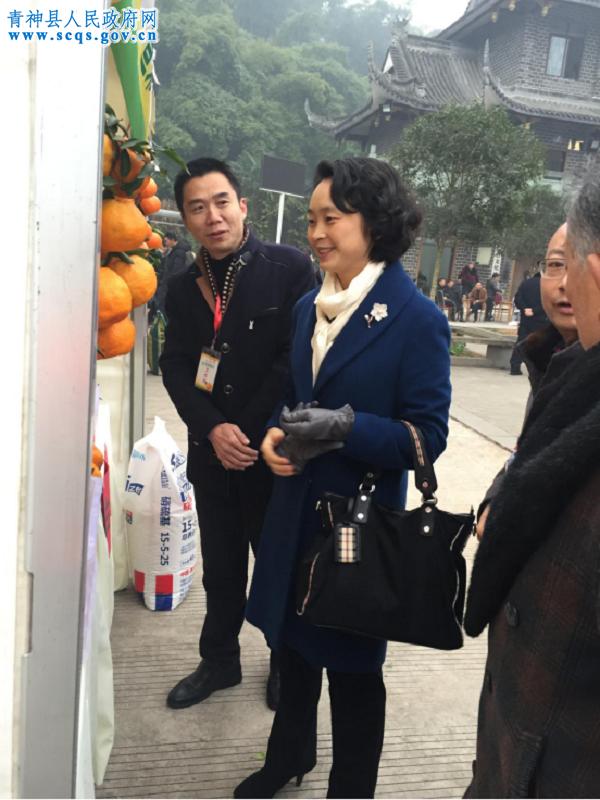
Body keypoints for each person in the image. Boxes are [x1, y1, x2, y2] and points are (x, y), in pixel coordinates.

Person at [235, 157, 451, 799]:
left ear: (375, 223)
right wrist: (274, 434)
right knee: (292, 649)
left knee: (353, 673)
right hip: (293, 512)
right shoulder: (310, 305)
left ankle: (351, 789)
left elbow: (426, 438)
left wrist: (346, 428)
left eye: (331, 218)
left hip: (355, 530)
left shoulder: (416, 319)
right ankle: (288, 757)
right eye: (311, 219)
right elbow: (293, 398)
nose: (316, 232)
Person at [159, 158, 315, 712]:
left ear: (243, 206)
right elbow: (176, 365)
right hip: (211, 453)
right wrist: (212, 429)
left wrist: (243, 433)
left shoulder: (289, 268)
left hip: (267, 452)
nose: (213, 216)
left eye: (221, 202)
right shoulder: (183, 287)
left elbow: (293, 360)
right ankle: (220, 660)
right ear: (186, 218)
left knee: (277, 564)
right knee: (222, 568)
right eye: (198, 207)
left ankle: (283, 660)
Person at [464, 179, 600, 798]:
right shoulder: (561, 367)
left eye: (570, 264)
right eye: (550, 266)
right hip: (514, 733)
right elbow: (529, 463)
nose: (562, 283)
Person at [475, 222, 579, 539]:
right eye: (556, 265)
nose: (565, 282)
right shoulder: (548, 358)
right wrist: (496, 496)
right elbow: (526, 446)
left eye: (581, 266)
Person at [509, 266, 549, 375]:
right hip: (541, 320)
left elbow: (518, 298)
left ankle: (515, 366)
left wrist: (524, 309)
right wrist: (535, 311)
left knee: (521, 342)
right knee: (541, 345)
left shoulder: (526, 283)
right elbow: (548, 303)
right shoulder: (548, 285)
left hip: (526, 320)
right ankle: (538, 369)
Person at [153, 231, 193, 316]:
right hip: (169, 283)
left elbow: (176, 270)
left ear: (172, 240)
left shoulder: (179, 252)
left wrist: (167, 282)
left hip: (170, 285)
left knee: (163, 305)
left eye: (166, 240)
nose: (165, 243)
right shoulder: (174, 250)